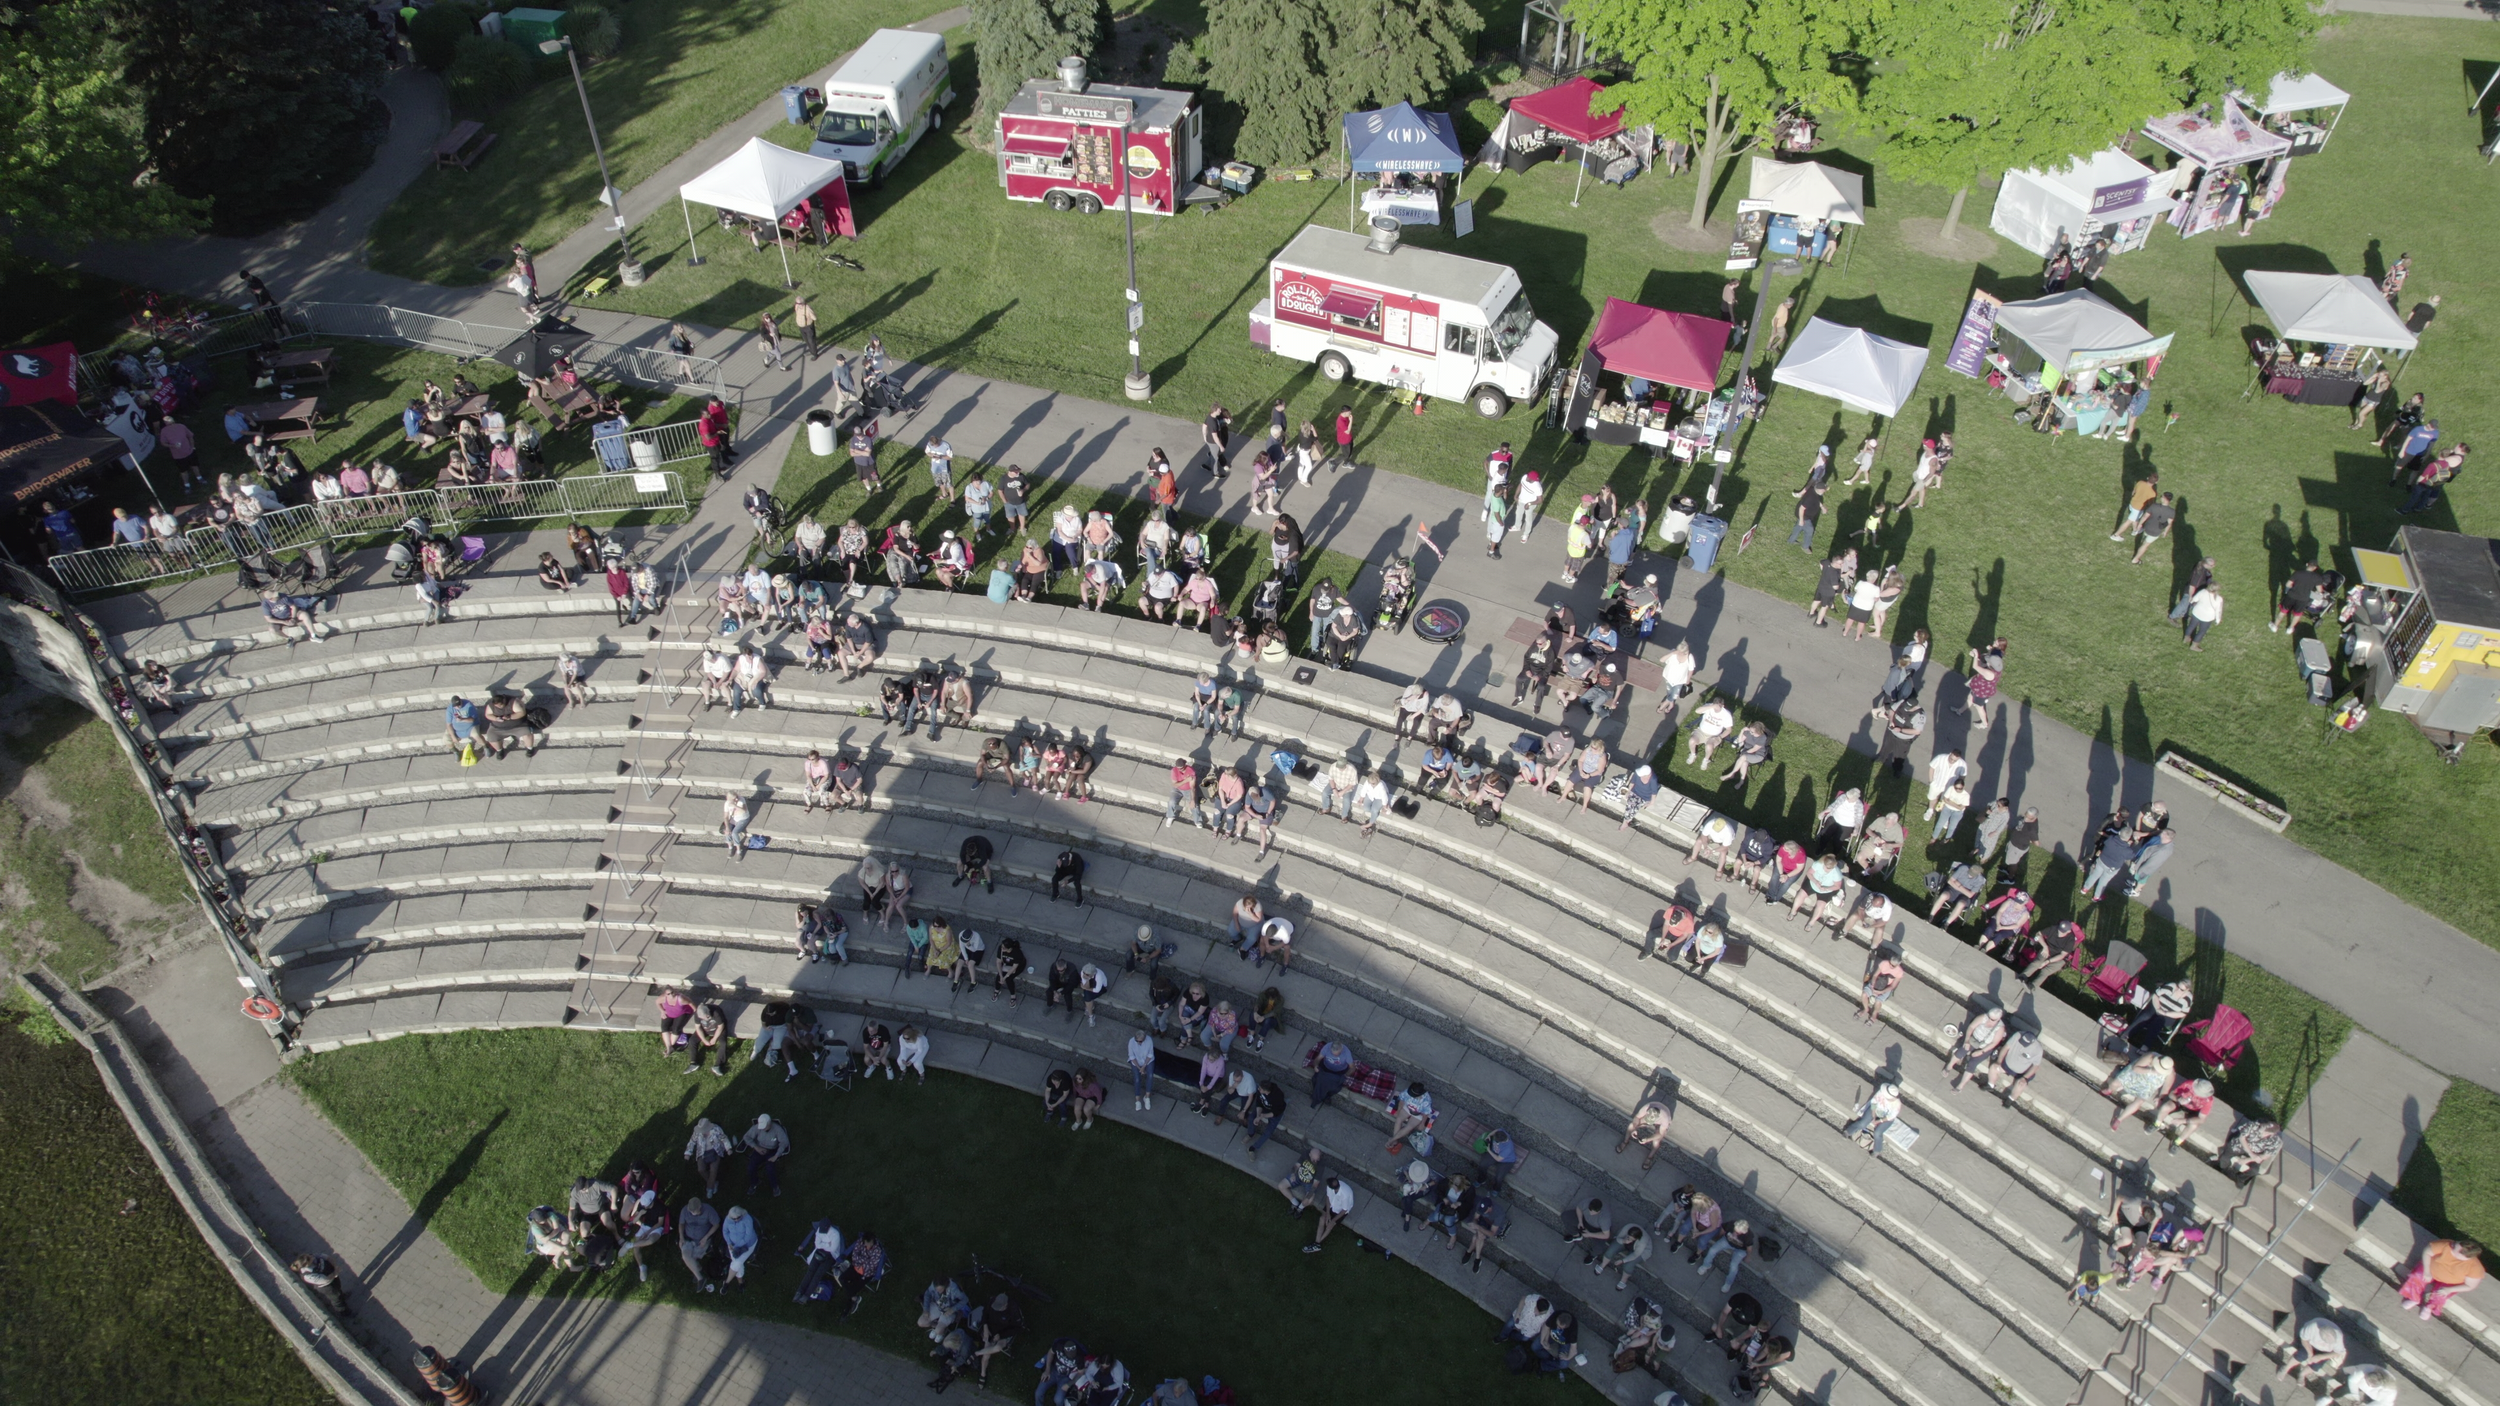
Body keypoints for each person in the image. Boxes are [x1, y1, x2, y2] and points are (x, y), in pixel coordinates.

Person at [2402, 1238, 2486, 1320]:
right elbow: (2427, 1253)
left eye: (2454, 1247)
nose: (2451, 1245)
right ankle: (2414, 1298)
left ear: (2464, 1257)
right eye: (2455, 1243)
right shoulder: (2445, 1245)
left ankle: (2429, 1307)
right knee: (2417, 1277)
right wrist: (2427, 1271)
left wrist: (2449, 1289)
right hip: (2431, 1270)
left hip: (2450, 1283)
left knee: (2442, 1294)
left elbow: (2469, 1285)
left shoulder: (2475, 1268)